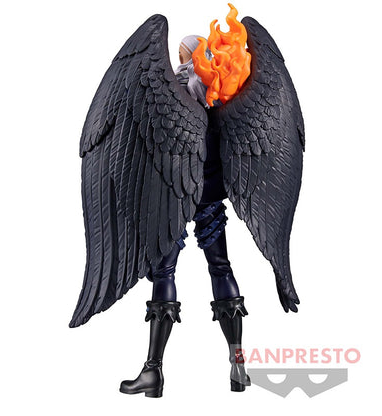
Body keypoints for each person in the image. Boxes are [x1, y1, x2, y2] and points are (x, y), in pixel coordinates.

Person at [119, 36, 250, 397]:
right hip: (208, 193)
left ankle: (153, 371)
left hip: (176, 193)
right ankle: (237, 364)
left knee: (166, 272)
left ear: (192, 55)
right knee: (220, 267)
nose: (177, 55)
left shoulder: (181, 90)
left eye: (182, 51)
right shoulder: (222, 95)